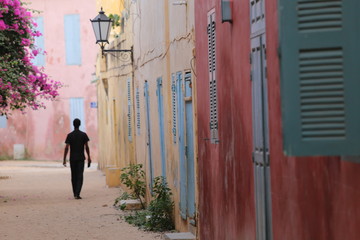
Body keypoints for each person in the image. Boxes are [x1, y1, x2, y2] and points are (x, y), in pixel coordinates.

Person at [63, 118, 91, 199]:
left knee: (73, 176)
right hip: (81, 158)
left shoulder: (70, 135)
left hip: (72, 159)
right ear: (80, 124)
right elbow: (87, 147)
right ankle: (77, 193)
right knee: (80, 176)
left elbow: (66, 148)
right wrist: (89, 157)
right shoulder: (83, 135)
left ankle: (75, 192)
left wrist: (64, 159)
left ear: (73, 124)